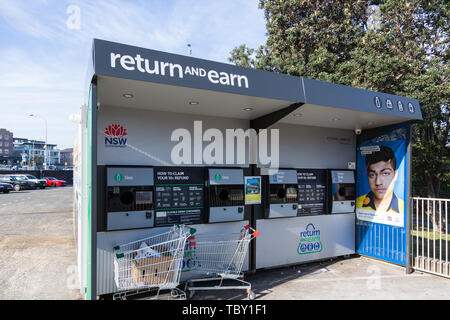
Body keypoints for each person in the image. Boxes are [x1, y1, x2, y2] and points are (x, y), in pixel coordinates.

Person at [356, 145, 403, 214]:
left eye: (385, 173)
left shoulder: (404, 208)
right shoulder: (358, 203)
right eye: (372, 175)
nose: (378, 182)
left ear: (395, 175)